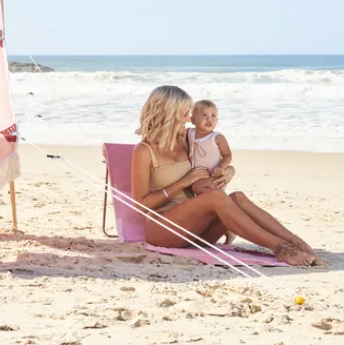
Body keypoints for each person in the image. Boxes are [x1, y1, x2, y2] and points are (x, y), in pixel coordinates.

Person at [130, 85, 319, 266]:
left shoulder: (188, 139)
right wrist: (183, 182)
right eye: (185, 113)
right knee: (215, 197)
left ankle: (296, 243)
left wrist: (229, 171)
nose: (189, 119)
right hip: (163, 231)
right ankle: (279, 248)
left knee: (238, 197)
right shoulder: (144, 151)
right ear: (169, 114)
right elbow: (140, 204)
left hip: (197, 230)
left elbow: (215, 160)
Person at [187, 99, 236, 196]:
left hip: (214, 176)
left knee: (197, 188)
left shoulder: (217, 137)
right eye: (204, 115)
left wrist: (221, 167)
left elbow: (227, 155)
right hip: (198, 176)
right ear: (192, 120)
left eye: (213, 116)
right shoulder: (189, 133)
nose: (209, 119)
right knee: (196, 190)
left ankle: (221, 199)